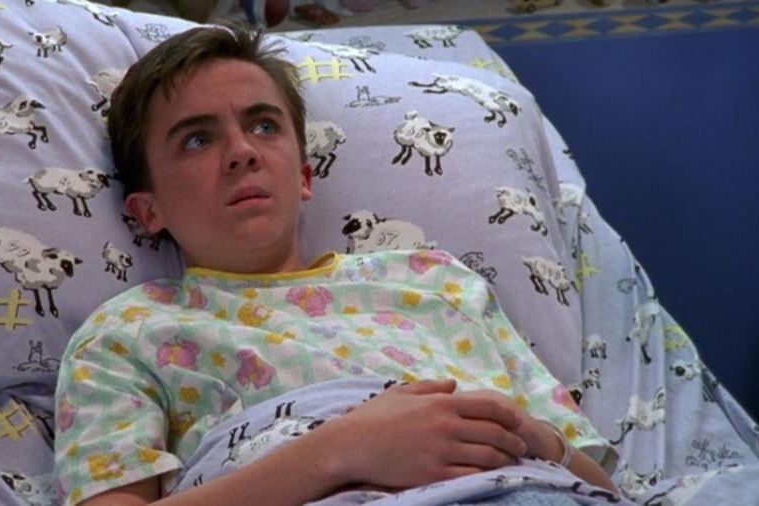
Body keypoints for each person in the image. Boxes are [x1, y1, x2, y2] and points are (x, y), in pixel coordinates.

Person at [54, 24, 619, 506]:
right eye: (197, 140)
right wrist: (340, 450)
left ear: (303, 177)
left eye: (264, 126)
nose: (243, 151)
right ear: (147, 211)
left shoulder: (439, 282)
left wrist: (530, 436)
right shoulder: (128, 334)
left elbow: (601, 487)